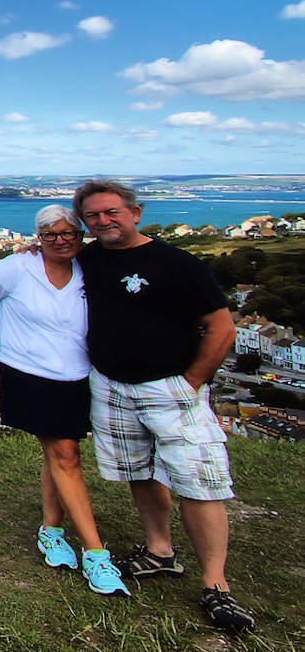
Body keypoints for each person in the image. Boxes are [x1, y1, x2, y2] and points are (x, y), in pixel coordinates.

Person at [73, 179, 252, 632]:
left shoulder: (177, 262)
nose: (102, 222)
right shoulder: (89, 257)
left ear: (135, 212)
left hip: (169, 387)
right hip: (112, 385)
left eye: (111, 212)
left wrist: (191, 381)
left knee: (199, 481)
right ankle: (159, 551)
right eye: (92, 216)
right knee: (139, 471)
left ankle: (217, 585)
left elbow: (222, 329)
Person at [0, 204, 129, 597]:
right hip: (31, 374)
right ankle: (96, 553)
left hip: (78, 374)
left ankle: (51, 533)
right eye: (51, 234)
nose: (60, 240)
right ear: (38, 238)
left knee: (60, 455)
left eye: (68, 233)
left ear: (80, 236)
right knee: (66, 454)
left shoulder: (89, 268)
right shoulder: (19, 268)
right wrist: (1, 330)